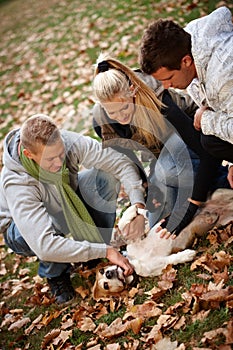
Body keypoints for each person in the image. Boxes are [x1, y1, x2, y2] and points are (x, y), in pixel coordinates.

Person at [0, 114, 149, 304]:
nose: (59, 162)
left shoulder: (66, 142)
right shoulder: (17, 183)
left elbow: (119, 162)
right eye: (51, 159)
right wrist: (106, 252)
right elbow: (44, 245)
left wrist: (138, 206)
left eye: (61, 154)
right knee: (46, 228)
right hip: (21, 229)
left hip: (65, 201)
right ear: (29, 154)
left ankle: (93, 246)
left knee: (105, 178)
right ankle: (56, 274)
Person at [92, 53, 229, 238]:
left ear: (133, 91)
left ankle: (222, 183)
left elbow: (205, 152)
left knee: (168, 171)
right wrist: (148, 192)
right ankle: (197, 192)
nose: (121, 117)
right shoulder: (102, 120)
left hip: (195, 139)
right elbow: (129, 160)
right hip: (162, 156)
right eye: (112, 112)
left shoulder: (159, 101)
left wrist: (189, 207)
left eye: (124, 108)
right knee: (158, 226)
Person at [139, 6, 233, 188]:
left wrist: (205, 119)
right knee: (210, 140)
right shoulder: (188, 47)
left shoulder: (225, 73)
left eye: (168, 79)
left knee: (209, 137)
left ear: (186, 61)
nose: (166, 87)